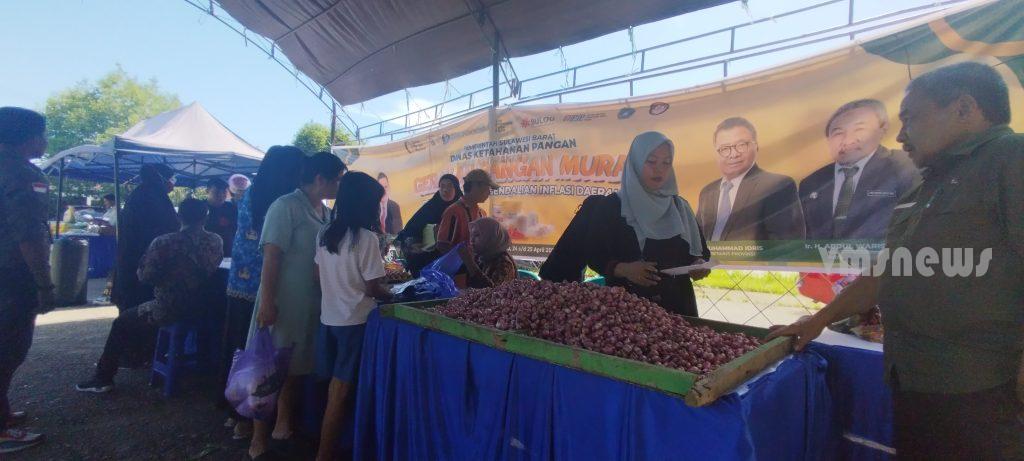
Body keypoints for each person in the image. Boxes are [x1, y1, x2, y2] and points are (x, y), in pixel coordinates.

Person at [769, 62, 1024, 459]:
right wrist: (818, 320)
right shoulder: (930, 184)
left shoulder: (1010, 158)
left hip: (982, 389)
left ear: (964, 108)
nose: (901, 135)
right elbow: (889, 270)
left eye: (911, 119)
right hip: (917, 381)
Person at [247, 152, 345, 460]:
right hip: (282, 301)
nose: (339, 186)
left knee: (295, 367)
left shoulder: (325, 213)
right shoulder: (285, 206)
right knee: (268, 371)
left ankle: (283, 424)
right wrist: (267, 302)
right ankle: (257, 438)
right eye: (337, 180)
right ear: (320, 179)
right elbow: (272, 257)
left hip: (310, 304)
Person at [76, 198, 223, 393]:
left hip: (169, 308)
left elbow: (145, 276)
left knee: (121, 322)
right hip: (205, 309)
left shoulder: (164, 242)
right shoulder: (215, 241)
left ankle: (103, 378)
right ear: (205, 217)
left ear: (179, 216)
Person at [222, 146, 305, 440]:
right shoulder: (283, 202)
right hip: (265, 287)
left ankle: (236, 415)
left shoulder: (251, 194)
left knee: (243, 353)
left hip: (239, 285)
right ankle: (253, 420)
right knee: (265, 357)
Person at [584, 131, 711, 317]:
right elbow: (594, 255)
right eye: (651, 161)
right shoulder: (612, 206)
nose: (659, 169)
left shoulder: (680, 207)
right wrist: (624, 269)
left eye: (666, 162)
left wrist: (699, 265)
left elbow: (701, 254)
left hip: (679, 309)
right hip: (626, 310)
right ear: (635, 163)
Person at [313, 172, 391, 461]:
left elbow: (317, 275)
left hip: (329, 319)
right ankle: (324, 454)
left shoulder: (325, 233)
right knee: (340, 392)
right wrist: (392, 295)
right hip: (355, 323)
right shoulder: (366, 238)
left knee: (333, 389)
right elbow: (373, 288)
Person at [0, 107, 53, 454]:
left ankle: (3, 413)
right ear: (28, 137)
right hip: (12, 276)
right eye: (42, 134)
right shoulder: (22, 173)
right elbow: (29, 235)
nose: (45, 141)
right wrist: (44, 284)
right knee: (8, 349)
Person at [798, 99, 920, 239]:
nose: (848, 140)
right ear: (828, 139)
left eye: (859, 129)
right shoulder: (811, 183)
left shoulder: (905, 166)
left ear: (882, 131)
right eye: (838, 133)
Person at [696, 117, 804, 241]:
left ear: (756, 146)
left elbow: (787, 245)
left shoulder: (777, 185)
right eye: (725, 148)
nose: (734, 154)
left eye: (741, 145)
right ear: (716, 153)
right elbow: (696, 240)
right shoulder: (707, 192)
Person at [395, 174, 462, 275]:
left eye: (449, 186)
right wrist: (413, 243)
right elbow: (410, 229)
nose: (445, 190)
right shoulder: (430, 207)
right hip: (430, 260)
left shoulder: (462, 208)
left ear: (456, 188)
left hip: (456, 257)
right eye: (442, 186)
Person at [435, 169, 498, 255]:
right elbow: (442, 244)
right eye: (488, 188)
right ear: (475, 186)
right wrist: (464, 260)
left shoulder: (482, 213)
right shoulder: (454, 211)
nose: (489, 193)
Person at [458, 217, 517, 289]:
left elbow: (492, 292)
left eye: (477, 235)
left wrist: (469, 262)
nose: (471, 240)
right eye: (471, 235)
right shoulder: (480, 257)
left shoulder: (504, 264)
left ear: (491, 237)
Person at [205, 178, 238, 257]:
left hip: (227, 250)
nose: (221, 195)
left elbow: (236, 228)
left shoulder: (232, 208)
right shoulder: (201, 207)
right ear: (207, 191)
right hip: (205, 250)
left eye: (224, 192)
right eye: (217, 192)